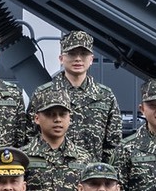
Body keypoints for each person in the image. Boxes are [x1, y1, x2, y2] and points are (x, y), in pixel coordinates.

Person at [19, 83, 92, 191]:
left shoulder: (84, 159)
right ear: (36, 118)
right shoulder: (23, 157)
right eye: (50, 114)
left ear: (70, 118)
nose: (57, 119)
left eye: (62, 114)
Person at [48, 31, 121, 160]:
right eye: (71, 53)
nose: (78, 59)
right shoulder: (44, 94)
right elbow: (32, 137)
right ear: (61, 58)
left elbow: (114, 144)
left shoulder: (105, 96)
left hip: (92, 170)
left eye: (83, 54)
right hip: (54, 170)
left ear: (91, 59)